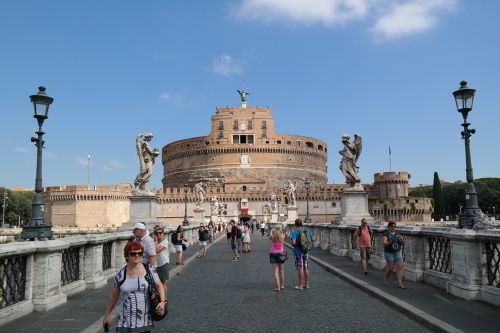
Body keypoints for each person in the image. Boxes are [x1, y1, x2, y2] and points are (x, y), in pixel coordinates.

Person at [103, 241, 166, 332]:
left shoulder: (149, 270)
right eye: (133, 253)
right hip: (126, 320)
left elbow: (159, 286)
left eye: (139, 253)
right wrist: (107, 315)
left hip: (144, 320)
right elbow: (113, 296)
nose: (137, 256)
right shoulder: (121, 274)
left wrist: (163, 302)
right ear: (127, 256)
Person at [290, 218, 315, 290]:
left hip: (298, 252)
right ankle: (307, 285)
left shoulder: (294, 232)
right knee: (306, 268)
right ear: (302, 224)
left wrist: (293, 243)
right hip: (306, 251)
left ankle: (300, 285)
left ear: (295, 224)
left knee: (300, 268)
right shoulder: (306, 230)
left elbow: (293, 243)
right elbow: (313, 239)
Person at [382, 221, 405, 288]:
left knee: (399, 267)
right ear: (389, 227)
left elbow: (402, 243)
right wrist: (387, 243)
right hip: (389, 252)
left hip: (398, 252)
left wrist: (401, 240)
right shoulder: (386, 233)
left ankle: (400, 283)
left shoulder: (398, 233)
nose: (393, 228)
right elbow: (384, 242)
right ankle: (385, 278)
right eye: (392, 226)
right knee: (390, 268)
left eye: (395, 226)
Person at [153, 225, 169, 301]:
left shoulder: (165, 241)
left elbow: (157, 250)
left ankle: (165, 298)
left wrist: (155, 241)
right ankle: (159, 296)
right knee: (156, 283)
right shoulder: (155, 242)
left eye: (160, 233)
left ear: (163, 233)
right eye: (156, 233)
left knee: (162, 282)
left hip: (164, 264)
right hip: (156, 265)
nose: (158, 234)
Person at [269, 225, 286, 292]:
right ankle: (282, 285)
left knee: (276, 272)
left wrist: (272, 230)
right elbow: (284, 233)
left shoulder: (272, 237)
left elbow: (270, 235)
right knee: (281, 271)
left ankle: (278, 287)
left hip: (273, 253)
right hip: (281, 254)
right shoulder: (282, 236)